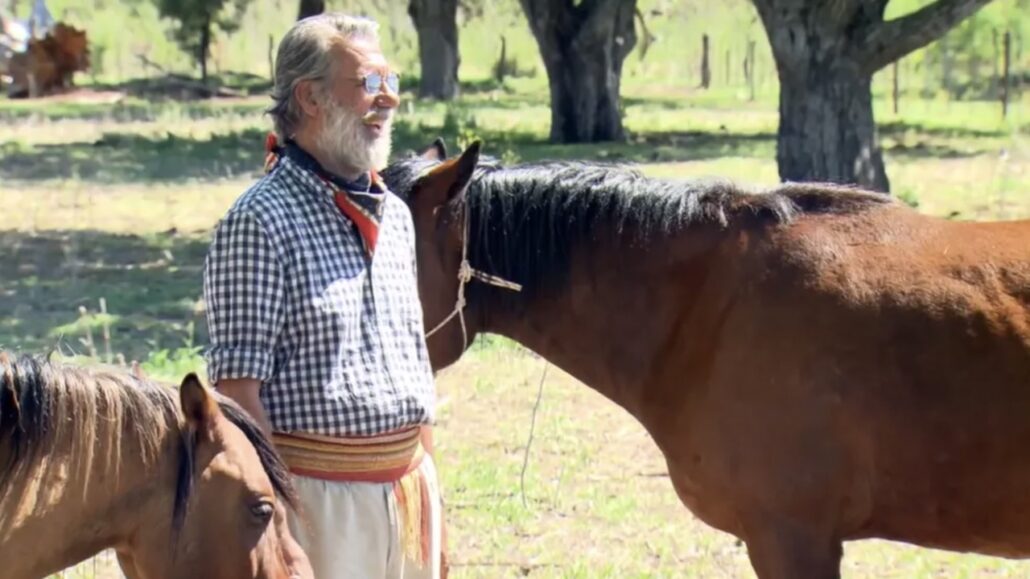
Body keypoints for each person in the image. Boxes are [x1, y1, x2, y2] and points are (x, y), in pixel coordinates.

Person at [202, 13, 444, 579]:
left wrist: (435, 505)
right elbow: (238, 396)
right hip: (317, 507)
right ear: (310, 98)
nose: (387, 102)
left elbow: (416, 370)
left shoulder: (397, 217)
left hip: (410, 493)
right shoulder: (259, 221)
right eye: (368, 83)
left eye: (392, 82)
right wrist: (280, 531)